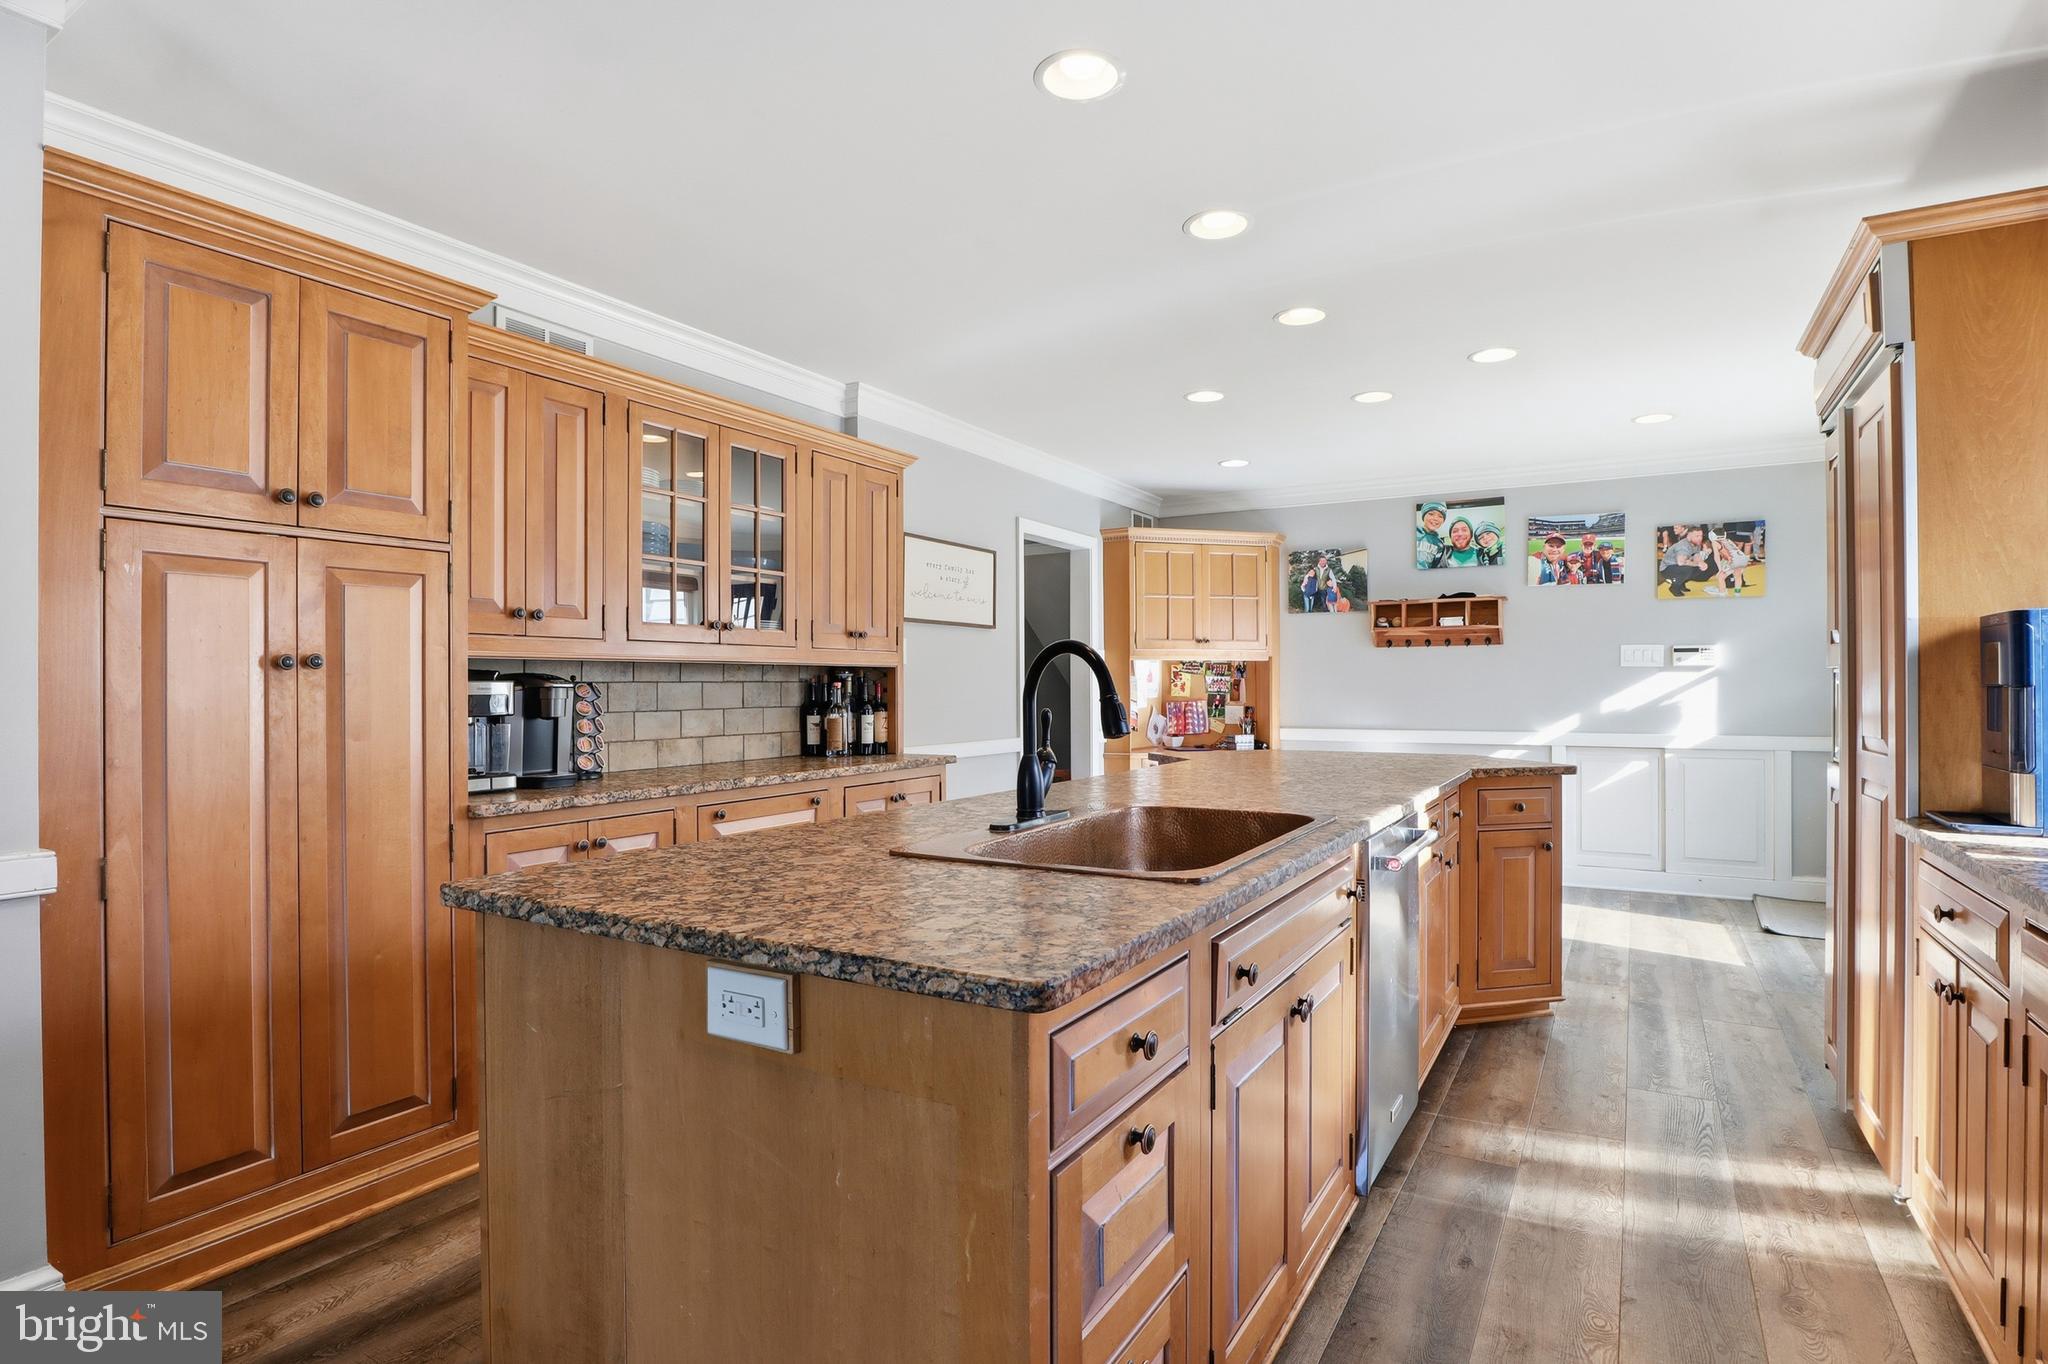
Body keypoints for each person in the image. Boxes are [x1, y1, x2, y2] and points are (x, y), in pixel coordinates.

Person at [1659, 526, 1714, 596]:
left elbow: (1697, 556)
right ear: (1689, 535)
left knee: (1699, 568)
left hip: (1677, 566)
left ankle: (1681, 583)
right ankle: (1674, 587)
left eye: (1701, 536)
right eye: (1697, 536)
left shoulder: (1696, 543)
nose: (1700, 538)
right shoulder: (1683, 546)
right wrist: (1698, 564)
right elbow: (1681, 562)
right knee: (1687, 569)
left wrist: (1702, 563)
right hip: (1667, 569)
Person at [1415, 503, 1447, 569]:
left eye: (1440, 516)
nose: (1435, 518)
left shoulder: (1440, 544)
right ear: (1424, 515)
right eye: (1431, 514)